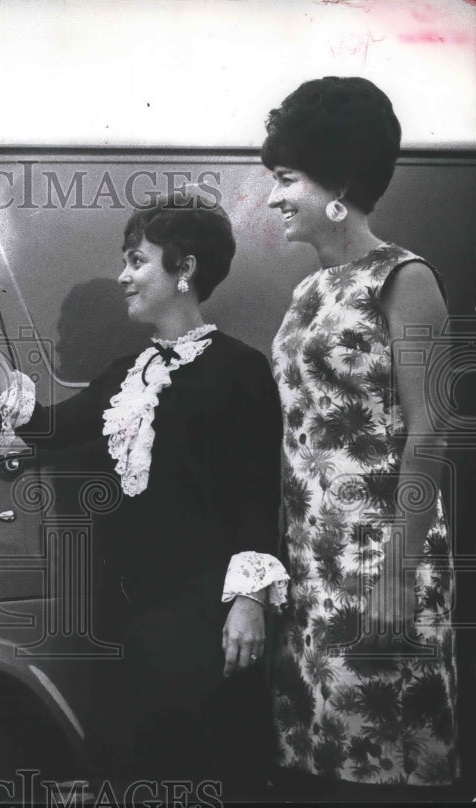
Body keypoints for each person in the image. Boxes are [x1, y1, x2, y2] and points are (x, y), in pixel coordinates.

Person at [0, 194, 289, 799]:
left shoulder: (240, 370)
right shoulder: (127, 372)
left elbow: (257, 494)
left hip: (202, 622)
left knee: (203, 771)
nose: (124, 276)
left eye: (137, 262)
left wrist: (249, 604)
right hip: (129, 622)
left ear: (183, 270)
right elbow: (48, 428)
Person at [262, 76, 459, 799]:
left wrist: (398, 579)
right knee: (316, 762)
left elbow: (431, 427)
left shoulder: (407, 280)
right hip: (312, 568)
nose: (274, 197)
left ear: (337, 183)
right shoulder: (308, 292)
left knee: (377, 768)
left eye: (286, 180)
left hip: (381, 564)